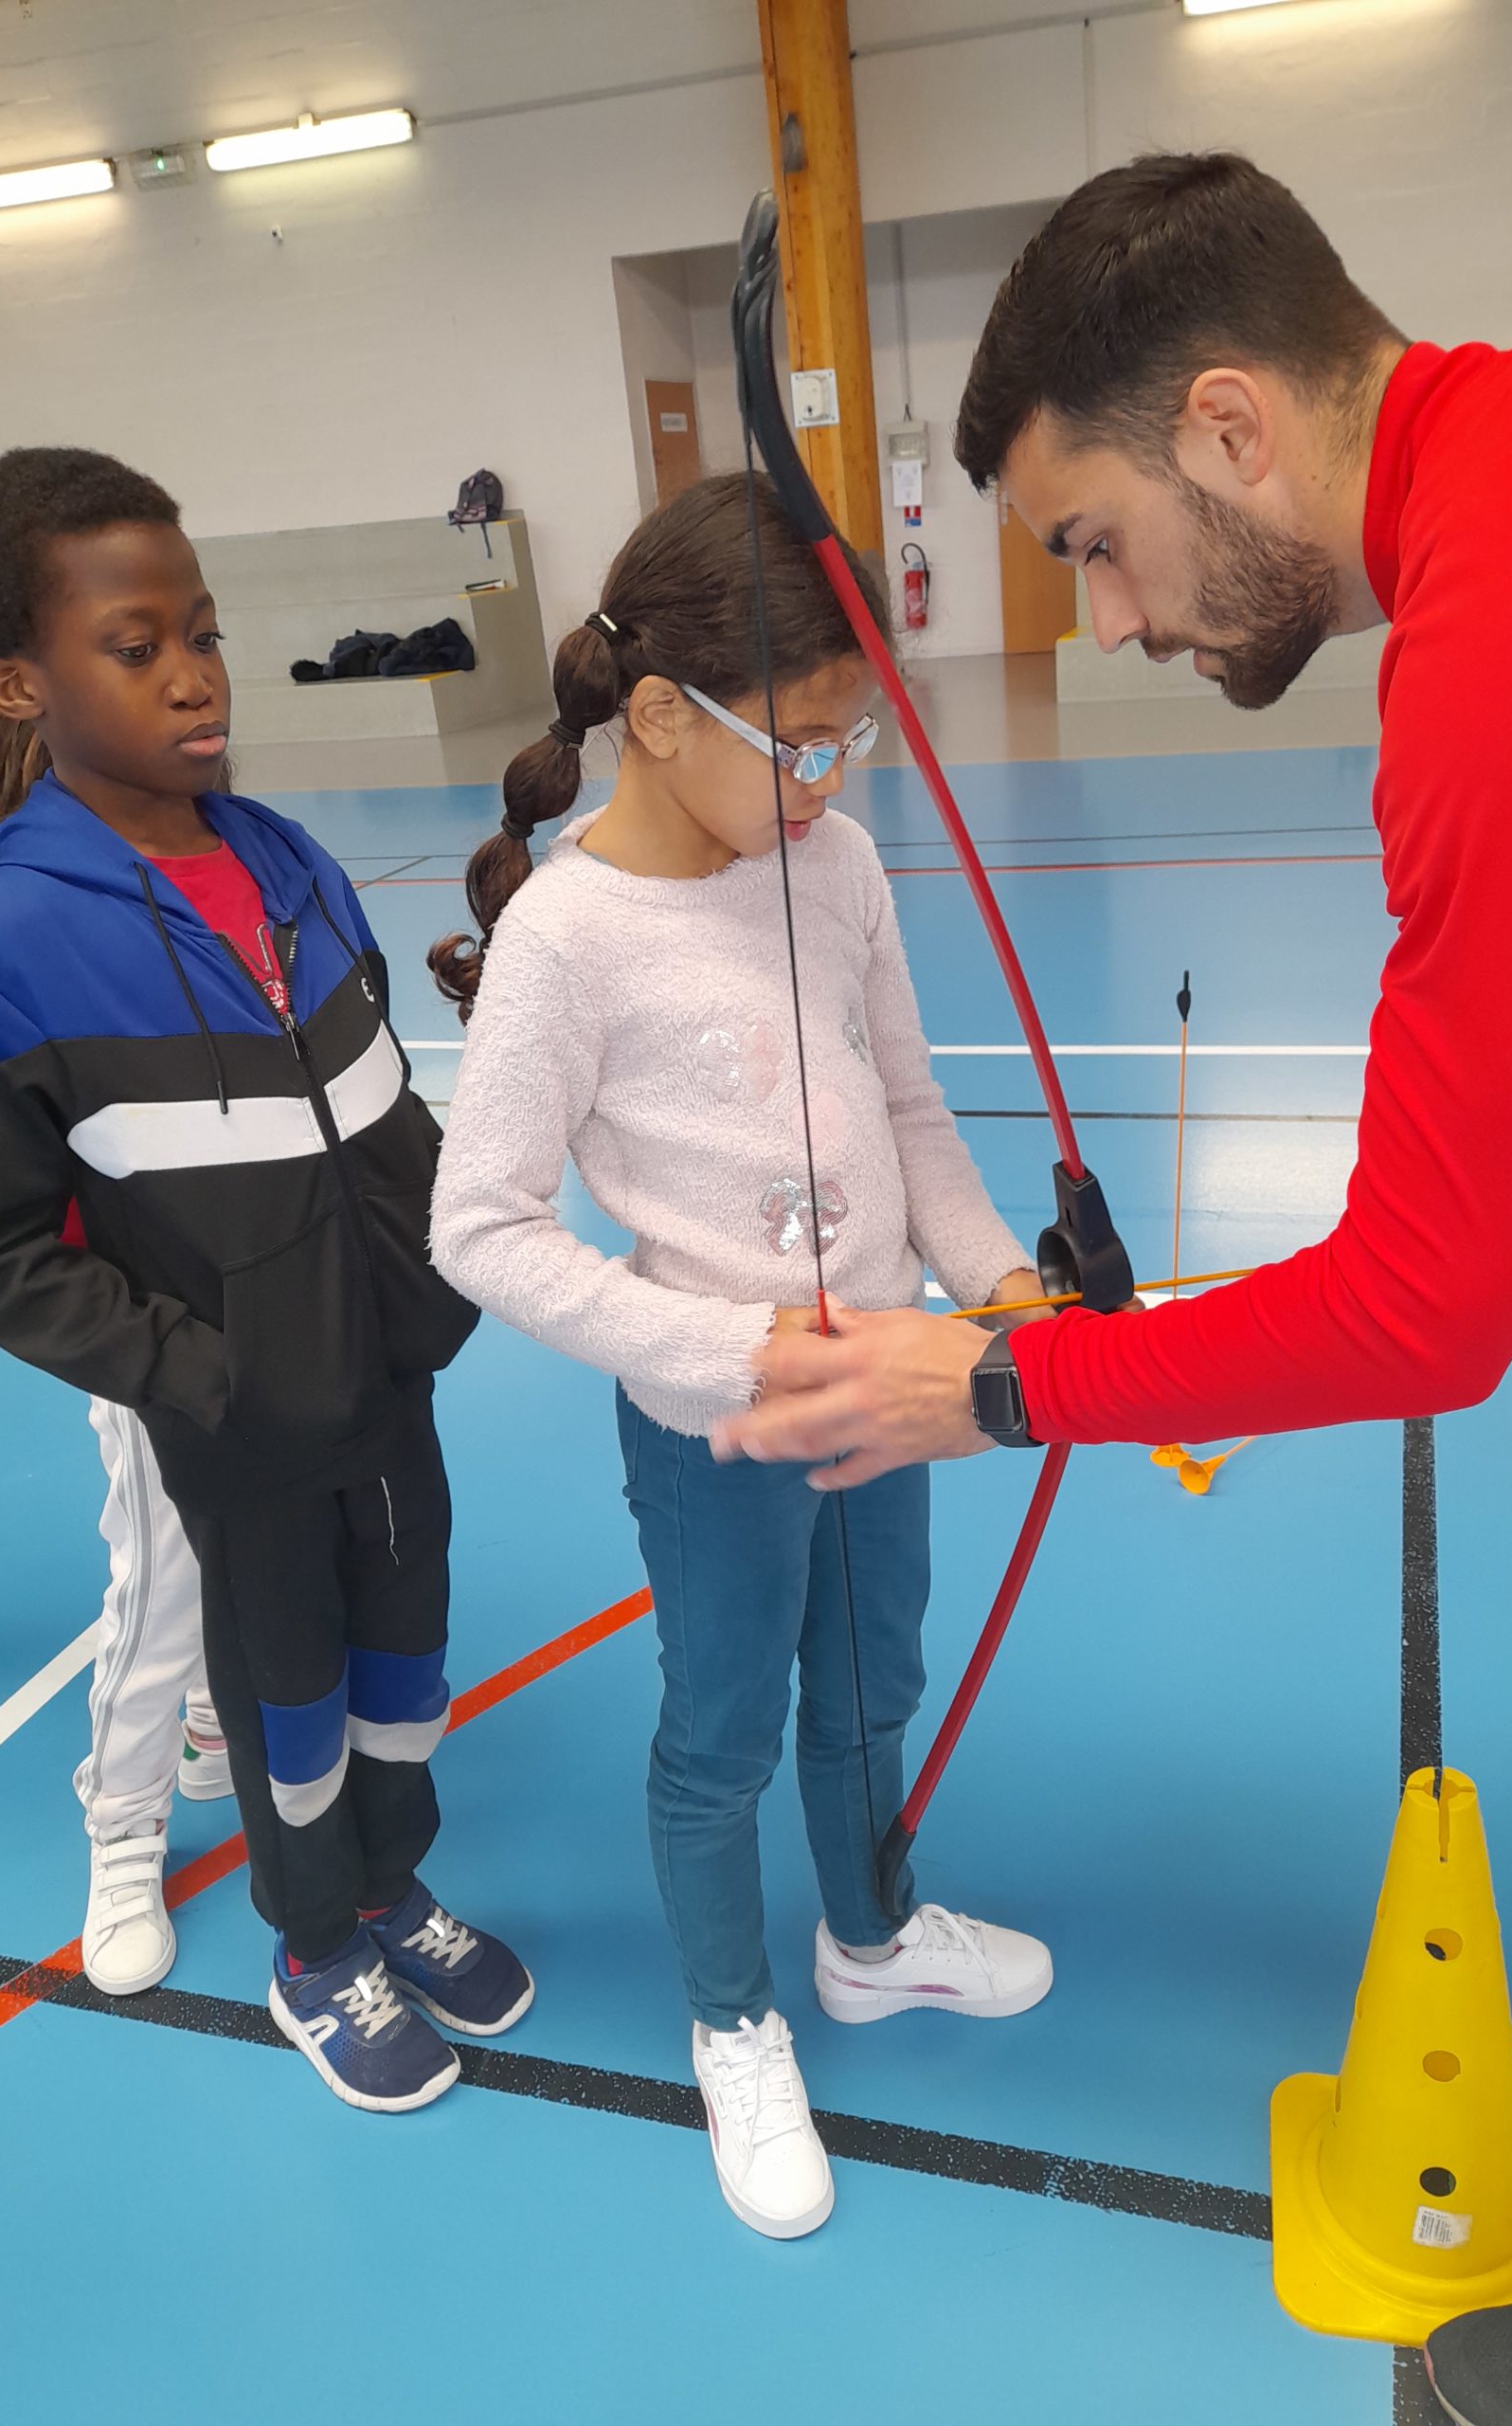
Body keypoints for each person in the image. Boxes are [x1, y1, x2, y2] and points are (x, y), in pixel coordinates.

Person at [712, 156, 1512, 2414]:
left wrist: (989, 1388)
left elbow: (1427, 1307)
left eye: (1095, 540)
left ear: (1228, 424)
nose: (1104, 622)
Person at [428, 471, 1053, 2239]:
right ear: (655, 715)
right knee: (721, 1735)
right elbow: (480, 1227)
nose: (827, 783)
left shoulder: (832, 864)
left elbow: (908, 1110)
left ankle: (871, 1937)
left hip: (888, 1385)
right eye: (798, 743)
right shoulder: (564, 936)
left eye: (850, 743)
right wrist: (725, 1342)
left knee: (872, 1686)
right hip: (718, 1428)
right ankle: (732, 2022)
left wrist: (1002, 1282)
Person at [0, 447, 531, 2110]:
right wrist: (199, 1373)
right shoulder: (6, 947)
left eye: (202, 634)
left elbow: (381, 1102)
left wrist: (440, 1266)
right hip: (243, 1423)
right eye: (135, 648)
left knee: (407, 1661)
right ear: (18, 683)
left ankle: (392, 1885)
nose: (195, 676)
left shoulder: (291, 863)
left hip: (393, 1380)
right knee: (289, 1687)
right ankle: (315, 1944)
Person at [0, 679, 235, 1999]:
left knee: (273, 1540)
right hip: (132, 1312)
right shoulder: (2, 935)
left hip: (245, 1276)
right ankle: (121, 1825)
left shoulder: (191, 877)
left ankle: (214, 1718)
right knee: (165, 1574)